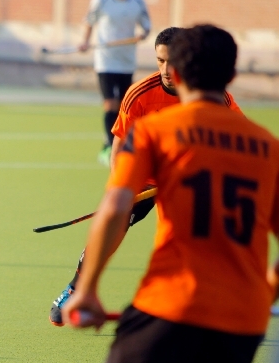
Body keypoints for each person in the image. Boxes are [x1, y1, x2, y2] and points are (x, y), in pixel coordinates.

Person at [64, 25, 274, 363]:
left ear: (174, 72)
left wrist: (86, 289)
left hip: (173, 301)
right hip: (243, 321)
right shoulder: (267, 146)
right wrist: (266, 288)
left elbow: (115, 206)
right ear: (232, 77)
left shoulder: (158, 130)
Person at [49, 27, 242, 325]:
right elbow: (119, 145)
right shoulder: (140, 94)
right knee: (114, 226)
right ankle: (77, 287)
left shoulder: (210, 96)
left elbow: (238, 139)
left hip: (188, 183)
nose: (165, 70)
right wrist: (120, 189)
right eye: (160, 61)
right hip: (146, 179)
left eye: (172, 62)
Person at [79, 0, 151, 166]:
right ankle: (111, 146)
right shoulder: (101, 1)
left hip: (126, 61)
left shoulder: (137, 2)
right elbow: (89, 21)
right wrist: (85, 41)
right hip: (105, 60)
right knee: (109, 103)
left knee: (123, 106)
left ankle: (109, 141)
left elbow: (146, 27)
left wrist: (143, 34)